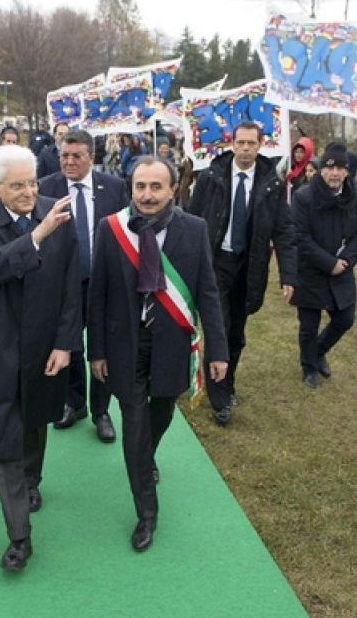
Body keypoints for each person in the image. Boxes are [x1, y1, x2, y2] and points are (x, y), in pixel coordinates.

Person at [89, 156, 228, 551]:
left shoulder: (194, 229)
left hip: (171, 343)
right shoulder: (111, 228)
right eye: (140, 187)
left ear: (172, 190)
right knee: (134, 424)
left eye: (155, 187)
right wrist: (95, 350)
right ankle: (146, 512)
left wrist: (218, 350)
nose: (147, 195)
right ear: (130, 188)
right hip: (124, 344)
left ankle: (145, 456)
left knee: (162, 411)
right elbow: (96, 293)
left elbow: (206, 292)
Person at [0, 145, 81, 571]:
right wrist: (37, 235)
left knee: (34, 420)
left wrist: (65, 343)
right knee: (3, 436)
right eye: (18, 186)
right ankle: (19, 535)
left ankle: (33, 480)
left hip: (45, 345)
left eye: (32, 182)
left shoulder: (58, 211)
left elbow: (72, 283)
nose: (30, 192)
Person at [187, 121, 296, 425]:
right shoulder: (212, 177)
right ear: (231, 143)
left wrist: (288, 275)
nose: (246, 148)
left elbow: (284, 230)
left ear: (261, 144)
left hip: (249, 266)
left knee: (236, 333)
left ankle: (227, 380)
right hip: (215, 264)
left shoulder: (271, 183)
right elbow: (192, 219)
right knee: (218, 327)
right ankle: (219, 397)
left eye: (252, 143)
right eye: (241, 142)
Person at [39, 129, 129, 442]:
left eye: (77, 156)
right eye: (65, 155)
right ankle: (73, 402)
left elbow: (126, 231)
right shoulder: (46, 188)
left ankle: (101, 410)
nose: (70, 161)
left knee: (102, 343)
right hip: (64, 283)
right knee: (69, 342)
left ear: (92, 157)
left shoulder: (114, 188)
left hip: (104, 281)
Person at [289, 146, 357, 387]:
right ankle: (309, 367)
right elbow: (300, 237)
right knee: (309, 325)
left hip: (342, 269)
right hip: (311, 270)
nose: (335, 173)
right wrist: (328, 262)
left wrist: (346, 259)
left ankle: (318, 351)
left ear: (347, 171)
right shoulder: (303, 196)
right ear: (322, 169)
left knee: (345, 319)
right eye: (330, 167)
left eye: (340, 168)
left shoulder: (355, 195)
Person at [285, 137, 314, 203]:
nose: (298, 154)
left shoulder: (309, 169)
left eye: (301, 152)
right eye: (296, 151)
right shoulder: (291, 167)